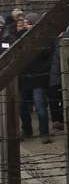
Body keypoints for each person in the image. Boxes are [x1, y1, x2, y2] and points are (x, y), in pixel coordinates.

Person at [15, 14, 52, 142]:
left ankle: (44, 133)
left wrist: (42, 71)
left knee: (40, 106)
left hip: (38, 78)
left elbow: (48, 58)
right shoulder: (21, 36)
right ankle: (27, 130)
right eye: (26, 22)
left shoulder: (44, 38)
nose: (26, 25)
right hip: (24, 77)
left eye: (29, 23)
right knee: (22, 106)